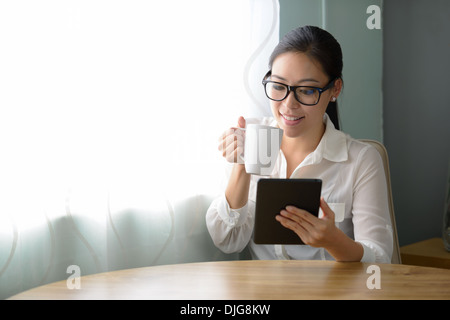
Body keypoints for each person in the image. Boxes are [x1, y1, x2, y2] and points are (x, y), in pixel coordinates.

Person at [206, 25, 393, 263]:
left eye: (306, 91)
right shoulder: (250, 136)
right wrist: (241, 166)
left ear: (334, 89)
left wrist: (334, 241)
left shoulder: (361, 160)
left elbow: (381, 261)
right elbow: (228, 241)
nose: (288, 104)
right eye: (278, 86)